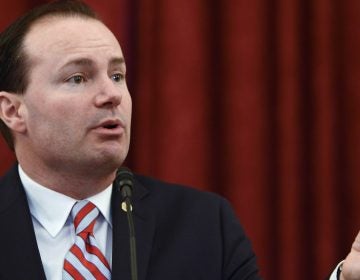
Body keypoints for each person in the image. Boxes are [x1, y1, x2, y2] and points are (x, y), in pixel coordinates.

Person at [0, 1, 261, 279]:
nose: (112, 94)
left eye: (117, 75)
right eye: (77, 78)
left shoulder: (207, 226)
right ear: (13, 111)